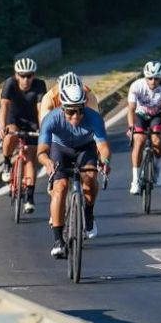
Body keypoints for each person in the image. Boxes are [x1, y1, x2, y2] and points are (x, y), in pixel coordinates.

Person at [37, 84, 111, 258]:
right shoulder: (51, 119)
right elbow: (41, 151)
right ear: (62, 109)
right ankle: (57, 240)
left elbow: (103, 147)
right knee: (60, 187)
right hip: (60, 149)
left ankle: (88, 213)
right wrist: (47, 162)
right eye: (70, 112)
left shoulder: (94, 118)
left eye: (80, 111)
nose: (75, 116)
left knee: (90, 177)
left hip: (85, 148)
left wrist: (105, 161)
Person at [0, 57, 48, 213]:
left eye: (29, 75)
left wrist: (43, 128)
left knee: (31, 159)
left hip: (32, 121)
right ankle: (6, 163)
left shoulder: (39, 85)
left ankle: (30, 198)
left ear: (34, 75)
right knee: (10, 134)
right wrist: (1, 127)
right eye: (22, 75)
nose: (26, 79)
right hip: (15, 119)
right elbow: (4, 106)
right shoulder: (9, 83)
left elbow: (42, 109)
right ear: (16, 75)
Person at [126, 61, 161, 194]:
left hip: (157, 116)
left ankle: (157, 167)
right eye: (150, 78)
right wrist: (131, 126)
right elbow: (131, 108)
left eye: (156, 78)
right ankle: (135, 180)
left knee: (157, 140)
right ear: (145, 76)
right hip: (140, 115)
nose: (153, 81)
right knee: (139, 140)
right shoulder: (136, 86)